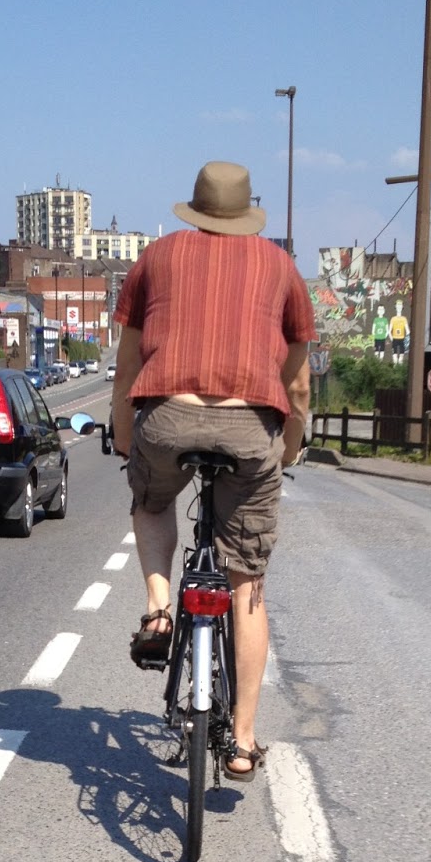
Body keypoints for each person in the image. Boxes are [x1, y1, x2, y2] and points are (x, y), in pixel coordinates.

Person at [110, 160, 315, 778]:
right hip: (250, 426)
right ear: (247, 212)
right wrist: (290, 446)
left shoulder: (157, 257)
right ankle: (244, 742)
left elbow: (127, 366)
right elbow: (298, 384)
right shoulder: (280, 267)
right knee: (246, 583)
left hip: (167, 416)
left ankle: (158, 607)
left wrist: (125, 437)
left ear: (195, 208)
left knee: (152, 501)